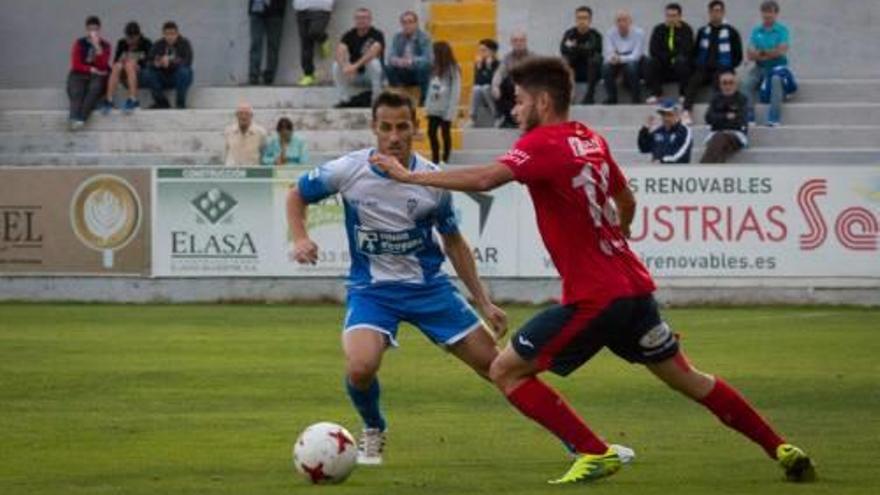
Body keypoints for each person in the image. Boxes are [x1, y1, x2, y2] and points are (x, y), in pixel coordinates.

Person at [370, 56, 816, 486]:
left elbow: (487, 179)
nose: (515, 107)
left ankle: (593, 451)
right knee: (690, 379)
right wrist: (611, 243)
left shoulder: (540, 143)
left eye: (520, 100)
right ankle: (781, 447)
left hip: (595, 299)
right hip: (635, 291)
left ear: (543, 102)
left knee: (505, 371)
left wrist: (410, 178)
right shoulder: (591, 139)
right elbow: (628, 202)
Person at [286, 90, 508, 465]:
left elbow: (453, 241)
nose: (393, 136)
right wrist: (301, 237)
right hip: (372, 291)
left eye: (402, 127)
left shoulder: (433, 180)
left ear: (416, 128)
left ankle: (579, 444)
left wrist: (484, 301)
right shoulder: (348, 170)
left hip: (429, 289)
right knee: (360, 367)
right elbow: (296, 195)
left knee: (501, 370)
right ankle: (373, 428)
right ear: (374, 127)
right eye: (385, 127)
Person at [683, 0, 743, 124]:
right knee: (693, 81)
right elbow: (695, 52)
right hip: (704, 68)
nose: (716, 14)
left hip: (723, 68)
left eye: (719, 11)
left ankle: (717, 112)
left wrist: (729, 66)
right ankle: (686, 112)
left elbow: (738, 55)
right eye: (713, 11)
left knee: (720, 81)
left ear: (723, 12)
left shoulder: (731, 32)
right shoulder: (703, 31)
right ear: (709, 13)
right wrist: (698, 65)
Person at [743, 0, 793, 127]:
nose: (767, 15)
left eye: (770, 12)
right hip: (759, 67)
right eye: (764, 12)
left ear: (776, 14)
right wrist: (769, 53)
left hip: (776, 67)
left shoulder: (782, 30)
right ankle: (749, 116)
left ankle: (773, 118)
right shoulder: (757, 31)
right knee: (746, 83)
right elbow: (749, 54)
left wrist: (760, 53)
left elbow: (781, 51)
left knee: (776, 80)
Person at [332, 7, 385, 108]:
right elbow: (340, 50)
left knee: (374, 62)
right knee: (336, 65)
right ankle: (344, 99)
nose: (361, 20)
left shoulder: (377, 34)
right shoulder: (349, 34)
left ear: (370, 20)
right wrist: (344, 67)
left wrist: (355, 66)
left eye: (364, 18)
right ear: (355, 20)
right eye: (358, 18)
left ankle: (376, 101)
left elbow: (374, 50)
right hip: (355, 75)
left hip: (372, 76)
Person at [67, 16, 111, 130]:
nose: (93, 32)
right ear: (86, 30)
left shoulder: (105, 45)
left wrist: (97, 48)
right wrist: (89, 69)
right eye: (90, 29)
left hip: (97, 75)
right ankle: (73, 118)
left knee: (95, 88)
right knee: (77, 91)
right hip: (79, 73)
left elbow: (103, 65)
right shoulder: (79, 43)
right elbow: (75, 64)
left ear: (99, 29)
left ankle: (81, 118)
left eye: (95, 29)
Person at [646, 3, 694, 104]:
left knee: (682, 60)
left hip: (680, 67)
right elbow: (653, 50)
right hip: (664, 66)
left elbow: (687, 50)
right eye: (668, 16)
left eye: (674, 16)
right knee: (651, 62)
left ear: (680, 16)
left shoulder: (686, 30)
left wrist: (669, 54)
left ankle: (683, 94)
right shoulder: (659, 29)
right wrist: (670, 55)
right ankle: (656, 94)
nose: (671, 19)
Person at [100, 21, 152, 115]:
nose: (131, 41)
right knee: (117, 66)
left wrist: (139, 64)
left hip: (141, 74)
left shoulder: (146, 43)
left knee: (130, 64)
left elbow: (150, 61)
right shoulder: (122, 43)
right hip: (125, 75)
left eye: (134, 38)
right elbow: (115, 61)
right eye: (129, 38)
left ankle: (133, 99)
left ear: (139, 36)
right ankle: (109, 100)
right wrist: (122, 61)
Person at [425, 42, 461, 165]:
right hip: (433, 109)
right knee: (431, 132)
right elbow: (431, 89)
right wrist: (428, 107)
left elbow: (455, 91)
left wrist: (450, 111)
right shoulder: (434, 68)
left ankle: (445, 159)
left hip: (445, 109)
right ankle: (435, 158)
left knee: (445, 134)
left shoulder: (453, 69)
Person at [701, 70, 748, 163]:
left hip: (736, 135)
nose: (728, 86)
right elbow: (708, 118)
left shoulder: (742, 99)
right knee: (721, 146)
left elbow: (740, 121)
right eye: (724, 83)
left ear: (736, 84)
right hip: (716, 134)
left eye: (731, 82)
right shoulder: (715, 98)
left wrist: (718, 119)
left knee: (719, 138)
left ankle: (703, 169)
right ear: (720, 85)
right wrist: (726, 117)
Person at [386, 11, 433, 105]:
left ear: (416, 24)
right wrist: (398, 61)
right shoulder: (397, 37)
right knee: (388, 68)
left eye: (410, 22)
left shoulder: (424, 37)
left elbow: (428, 58)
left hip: (417, 72)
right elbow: (390, 56)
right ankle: (397, 99)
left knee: (424, 68)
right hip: (403, 71)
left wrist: (411, 61)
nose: (407, 25)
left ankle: (423, 100)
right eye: (404, 22)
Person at [144, 21, 194, 109]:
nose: (170, 37)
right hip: (163, 76)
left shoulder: (184, 43)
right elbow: (148, 61)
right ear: (163, 34)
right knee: (147, 73)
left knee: (185, 71)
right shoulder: (158, 44)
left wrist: (171, 63)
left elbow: (187, 61)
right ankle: (162, 102)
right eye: (167, 34)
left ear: (177, 33)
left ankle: (180, 103)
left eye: (173, 34)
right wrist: (157, 63)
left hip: (178, 77)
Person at [601, 10, 647, 104]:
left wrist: (620, 58)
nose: (621, 23)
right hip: (617, 61)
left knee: (631, 66)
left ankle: (636, 97)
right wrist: (614, 58)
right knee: (606, 67)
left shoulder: (639, 33)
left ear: (630, 21)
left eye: (624, 20)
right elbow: (609, 53)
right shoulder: (610, 33)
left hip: (633, 62)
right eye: (619, 20)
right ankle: (612, 97)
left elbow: (636, 55)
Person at [560, 6, 603, 104]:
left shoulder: (595, 35)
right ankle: (570, 94)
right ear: (575, 19)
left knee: (595, 59)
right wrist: (583, 49)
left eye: (585, 18)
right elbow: (564, 49)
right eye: (579, 18)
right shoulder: (569, 34)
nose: (582, 21)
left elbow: (594, 51)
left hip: (591, 72)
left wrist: (575, 47)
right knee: (565, 60)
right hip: (574, 70)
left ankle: (589, 96)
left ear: (590, 20)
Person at [492, 30, 531, 128]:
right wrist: (495, 86)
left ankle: (521, 119)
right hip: (512, 89)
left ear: (525, 42)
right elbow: (499, 73)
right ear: (511, 43)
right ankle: (507, 118)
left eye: (521, 40)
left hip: (529, 87)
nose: (518, 43)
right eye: (515, 41)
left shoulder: (533, 57)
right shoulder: (507, 58)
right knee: (503, 85)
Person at [637, 98, 692, 163]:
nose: (666, 118)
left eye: (669, 115)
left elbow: (682, 154)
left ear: (677, 115)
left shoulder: (684, 131)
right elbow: (644, 148)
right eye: (663, 114)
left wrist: (662, 161)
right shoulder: (659, 131)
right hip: (658, 170)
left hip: (678, 171)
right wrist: (644, 130)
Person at [294, 0, 334, 86]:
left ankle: (324, 39)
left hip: (321, 8)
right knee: (305, 43)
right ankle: (308, 75)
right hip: (301, 8)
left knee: (315, 32)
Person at [248, 0, 286, 85]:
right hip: (257, 9)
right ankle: (253, 75)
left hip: (275, 10)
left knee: (273, 44)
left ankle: (269, 75)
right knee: (256, 43)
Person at [469, 39, 500, 127]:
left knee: (486, 87)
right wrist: (479, 69)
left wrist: (489, 67)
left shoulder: (498, 64)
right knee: (477, 88)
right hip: (482, 95)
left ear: (492, 52)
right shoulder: (479, 64)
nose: (481, 53)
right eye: (480, 51)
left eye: (484, 50)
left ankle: (497, 115)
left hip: (494, 94)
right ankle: (472, 117)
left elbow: (493, 82)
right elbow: (477, 82)